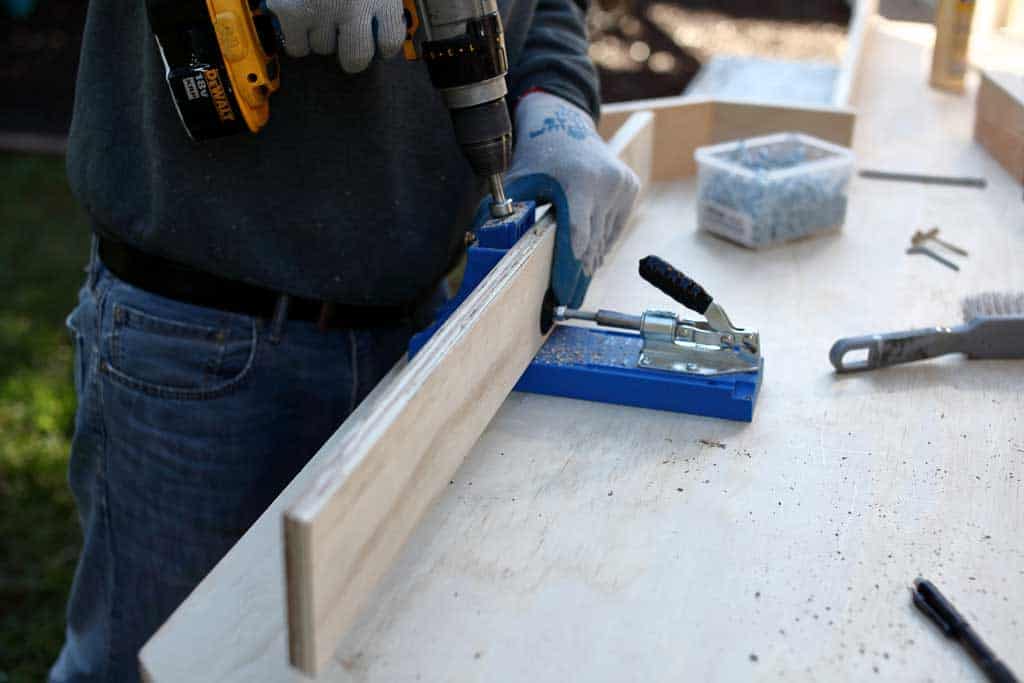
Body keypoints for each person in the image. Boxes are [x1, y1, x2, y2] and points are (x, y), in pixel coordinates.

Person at [51, 0, 639, 680]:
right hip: (199, 333)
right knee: (153, 665)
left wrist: (554, 96)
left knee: (360, 657)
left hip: (419, 330)